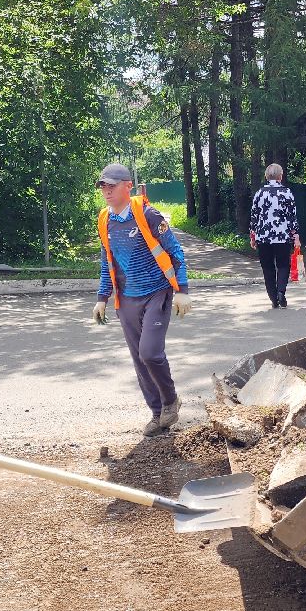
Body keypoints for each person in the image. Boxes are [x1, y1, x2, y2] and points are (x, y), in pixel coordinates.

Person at [92, 163, 191, 436]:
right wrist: (102, 297)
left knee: (150, 353)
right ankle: (157, 413)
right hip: (126, 300)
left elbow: (175, 252)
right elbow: (107, 262)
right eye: (103, 186)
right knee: (139, 359)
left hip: (156, 293)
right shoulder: (105, 220)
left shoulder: (147, 215)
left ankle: (170, 400)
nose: (107, 191)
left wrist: (182, 290)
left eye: (112, 186)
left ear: (128, 186)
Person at [249, 163, 300, 309]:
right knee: (283, 265)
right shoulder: (287, 193)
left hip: (263, 237)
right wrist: (295, 235)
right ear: (280, 176)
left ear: (266, 176)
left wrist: (253, 236)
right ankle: (281, 292)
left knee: (267, 267)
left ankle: (273, 298)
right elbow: (292, 217)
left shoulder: (259, 193)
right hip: (282, 236)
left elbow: (254, 217)